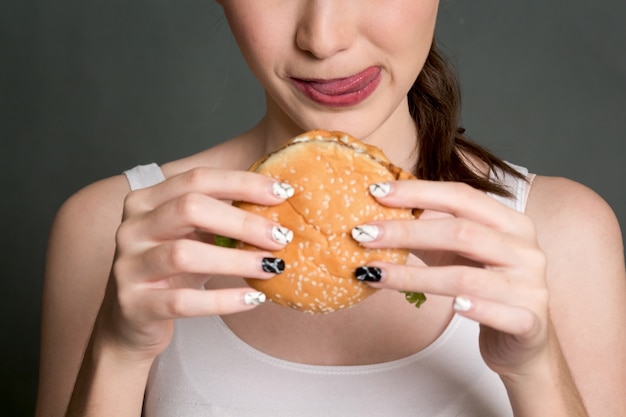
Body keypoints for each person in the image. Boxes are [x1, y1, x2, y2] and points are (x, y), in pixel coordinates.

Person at [35, 1, 626, 416]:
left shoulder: (563, 235)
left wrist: (535, 372)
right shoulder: (112, 228)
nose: (323, 36)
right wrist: (117, 354)